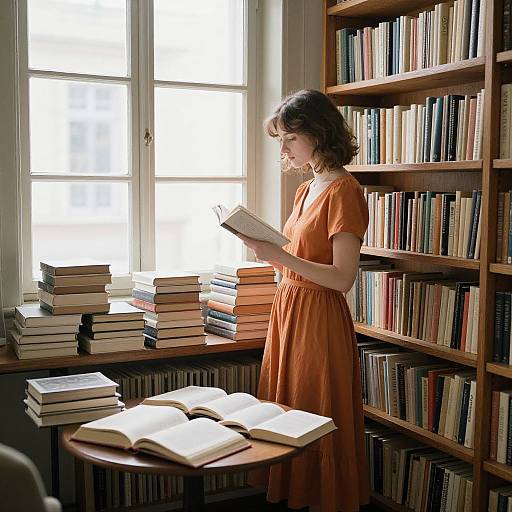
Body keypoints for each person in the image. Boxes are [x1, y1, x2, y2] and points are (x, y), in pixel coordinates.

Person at [239, 89, 370, 512]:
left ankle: (326, 500)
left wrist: (279, 255)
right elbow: (295, 263)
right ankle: (295, 495)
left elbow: (343, 278)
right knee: (289, 405)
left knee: (316, 409)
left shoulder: (343, 191)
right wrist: (270, 253)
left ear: (318, 133)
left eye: (289, 138)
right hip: (290, 309)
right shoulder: (306, 189)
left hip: (318, 316)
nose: (283, 148)